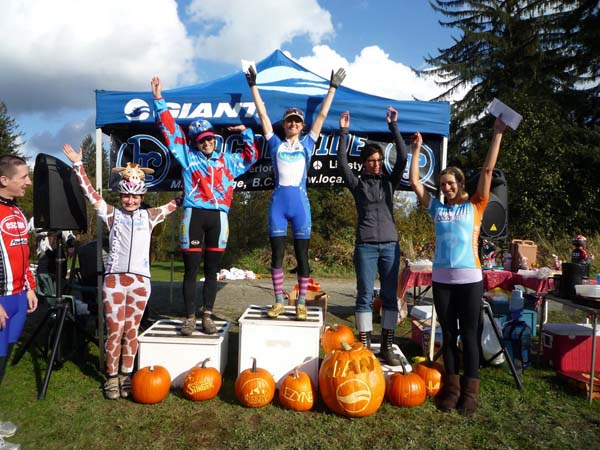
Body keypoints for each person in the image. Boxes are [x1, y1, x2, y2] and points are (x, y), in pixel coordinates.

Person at [63, 145, 178, 400]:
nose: (131, 201)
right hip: (114, 280)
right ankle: (112, 377)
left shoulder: (150, 216)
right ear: (121, 195)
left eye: (136, 197)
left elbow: (176, 203)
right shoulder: (112, 214)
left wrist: (195, 181)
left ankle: (127, 376)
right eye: (127, 196)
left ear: (142, 196)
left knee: (132, 331)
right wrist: (78, 165)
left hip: (140, 282)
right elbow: (91, 194)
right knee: (115, 330)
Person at [409, 115, 507, 415]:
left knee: (470, 336)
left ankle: (470, 393)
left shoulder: (475, 205)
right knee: (449, 335)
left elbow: (488, 169)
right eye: (442, 184)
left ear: (460, 184)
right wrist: (416, 150)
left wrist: (497, 134)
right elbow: (414, 182)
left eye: (450, 183)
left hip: (470, 280)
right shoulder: (437, 208)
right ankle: (451, 391)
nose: (446, 188)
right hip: (442, 281)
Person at [151, 76, 259, 336]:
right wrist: (158, 100)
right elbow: (170, 131)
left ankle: (207, 316)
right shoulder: (188, 157)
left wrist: (244, 131)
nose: (206, 143)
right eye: (201, 140)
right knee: (191, 270)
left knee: (212, 271)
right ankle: (190, 317)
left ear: (214, 139)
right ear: (195, 142)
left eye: (209, 138)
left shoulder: (228, 161)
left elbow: (252, 155)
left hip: (219, 218)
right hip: (194, 216)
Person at [245, 64, 346, 320]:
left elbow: (321, 117)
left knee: (302, 257)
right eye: (290, 121)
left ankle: (301, 301)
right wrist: (253, 86)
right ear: (285, 125)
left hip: (300, 205)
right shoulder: (275, 143)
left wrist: (332, 88)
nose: (293, 124)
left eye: (297, 121)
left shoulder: (308, 144)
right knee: (277, 255)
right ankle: (279, 300)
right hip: (278, 205)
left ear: (302, 127)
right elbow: (263, 115)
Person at [336, 108, 408, 365]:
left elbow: (402, 158)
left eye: (378, 160)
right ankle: (365, 348)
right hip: (365, 246)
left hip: (390, 246)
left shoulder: (390, 182)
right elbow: (342, 162)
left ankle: (387, 346)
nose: (376, 164)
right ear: (365, 163)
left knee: (390, 297)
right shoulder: (358, 185)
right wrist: (344, 132)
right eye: (371, 161)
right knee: (365, 295)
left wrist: (394, 127)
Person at [0, 155, 38, 448]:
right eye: (23, 177)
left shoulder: (18, 212)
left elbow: (24, 255)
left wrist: (29, 287)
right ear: (4, 180)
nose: (28, 182)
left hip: (17, 299)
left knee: (2, 365)